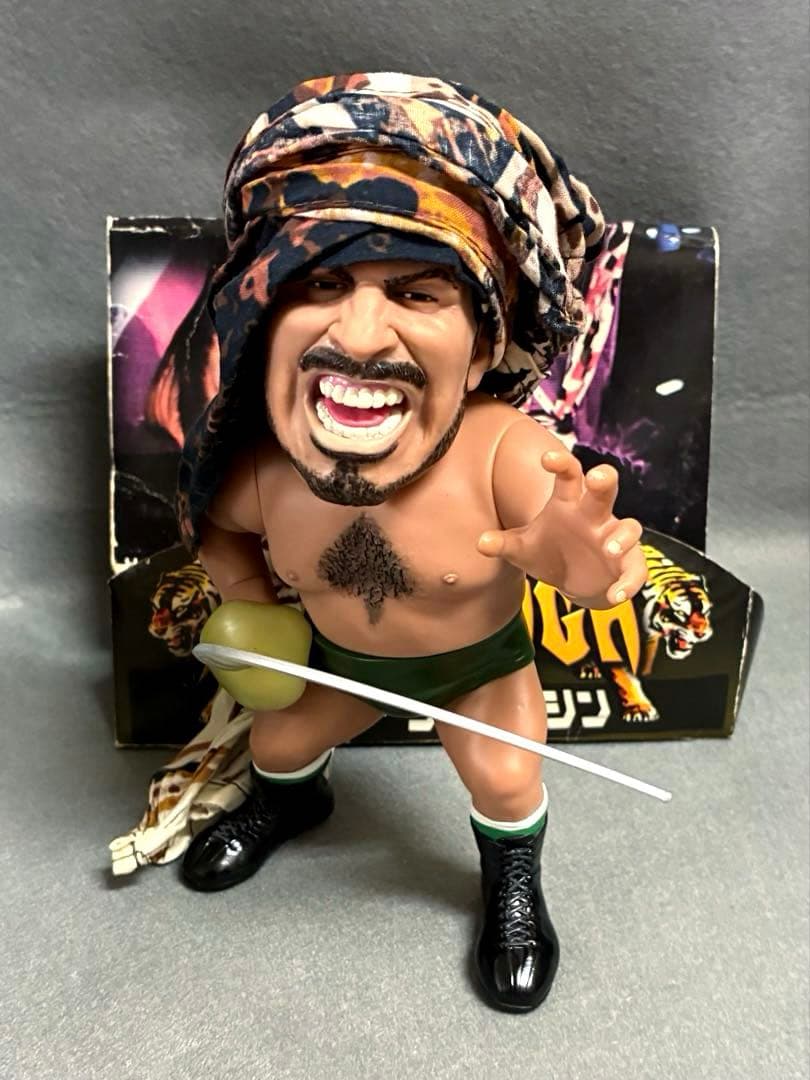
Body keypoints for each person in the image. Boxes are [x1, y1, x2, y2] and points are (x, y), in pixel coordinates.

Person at [175, 72, 647, 1013]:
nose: (358, 336)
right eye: (321, 283)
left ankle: (513, 883)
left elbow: (579, 547)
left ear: (481, 349)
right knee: (279, 741)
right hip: (343, 666)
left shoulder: (506, 453)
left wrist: (586, 569)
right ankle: (296, 803)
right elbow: (223, 532)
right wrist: (250, 604)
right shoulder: (262, 472)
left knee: (506, 779)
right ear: (261, 321)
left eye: (417, 293)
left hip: (478, 670)